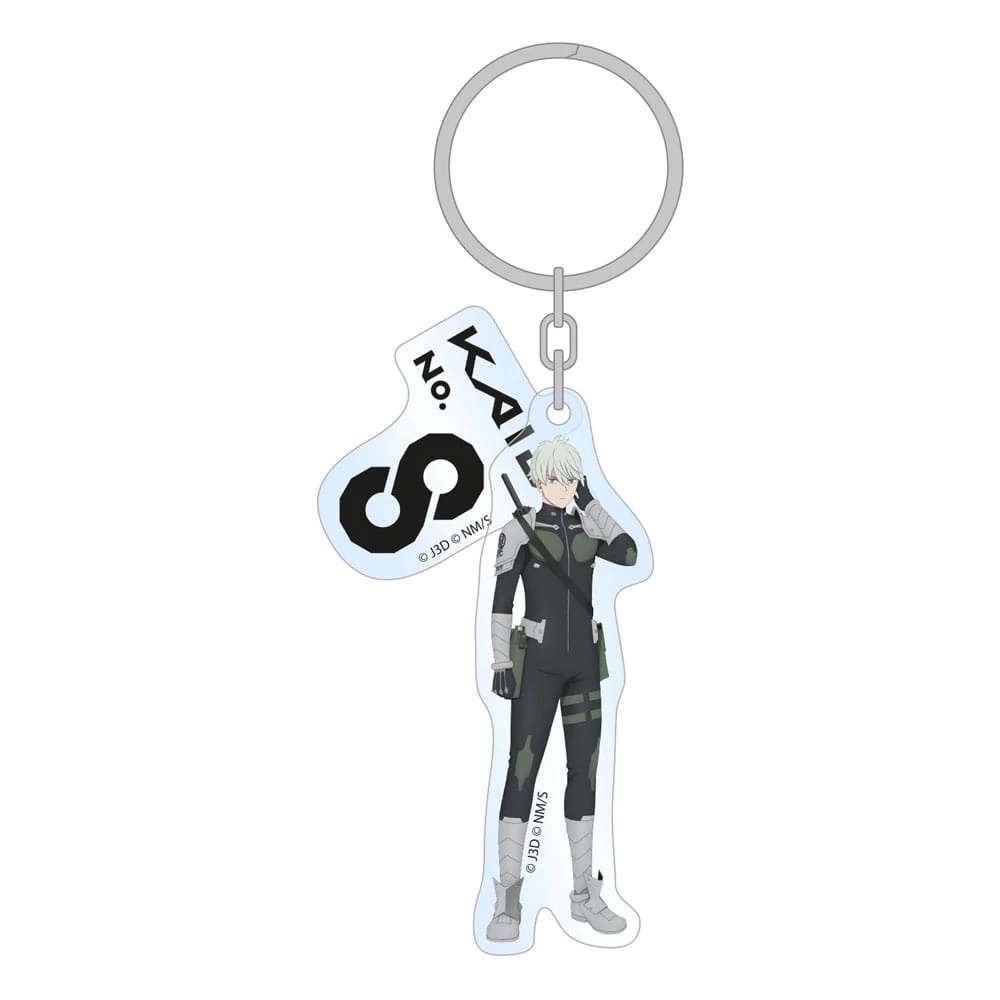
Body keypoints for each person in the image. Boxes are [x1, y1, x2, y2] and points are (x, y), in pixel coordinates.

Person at [485, 436, 638, 942]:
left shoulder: (587, 528)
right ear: (538, 480)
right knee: (522, 771)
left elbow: (628, 552)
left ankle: (584, 894)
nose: (562, 486)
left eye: (570, 477)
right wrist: (501, 659)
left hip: (583, 668)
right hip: (537, 668)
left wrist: (591, 503)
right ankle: (508, 900)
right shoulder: (519, 530)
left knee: (584, 776)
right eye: (553, 477)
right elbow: (502, 601)